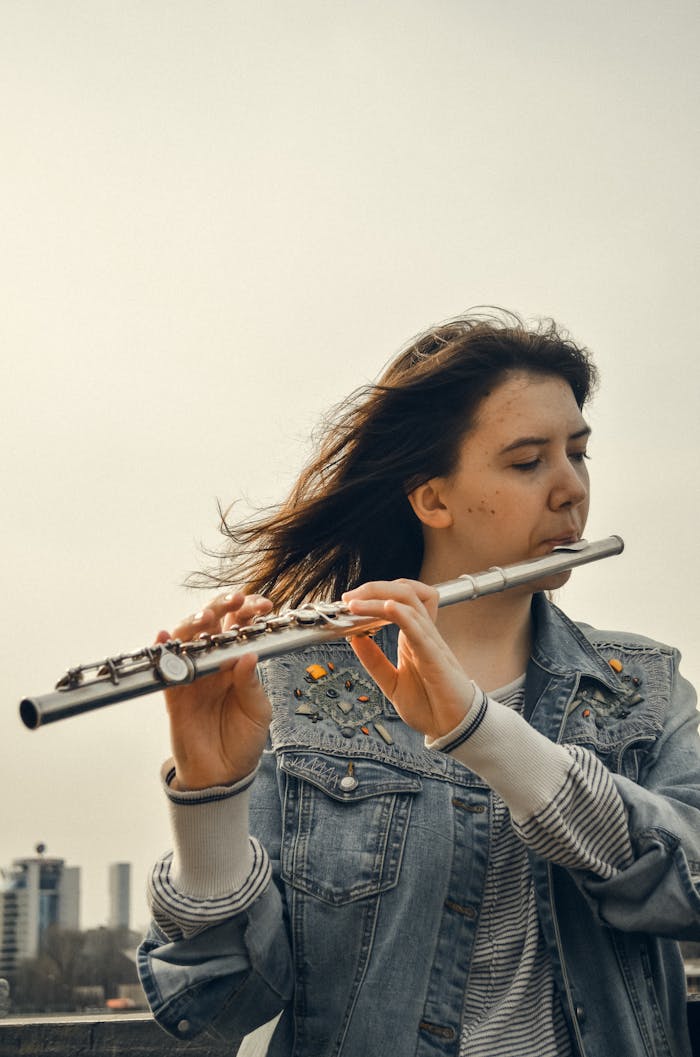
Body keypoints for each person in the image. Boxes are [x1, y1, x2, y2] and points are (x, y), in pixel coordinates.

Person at [138, 311, 700, 1057]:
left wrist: (485, 731)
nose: (571, 489)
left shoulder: (643, 686)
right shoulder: (296, 695)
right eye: (528, 461)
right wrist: (209, 802)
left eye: (579, 452)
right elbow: (214, 1004)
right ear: (432, 498)